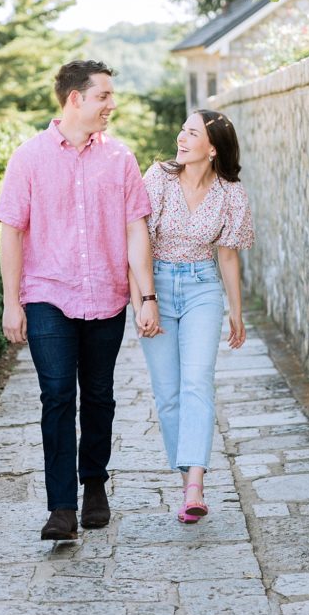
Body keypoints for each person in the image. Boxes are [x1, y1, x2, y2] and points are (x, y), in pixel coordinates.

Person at [0, 60, 160, 541]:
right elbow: (12, 233)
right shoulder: (28, 158)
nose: (112, 104)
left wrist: (145, 296)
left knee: (101, 396)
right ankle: (61, 508)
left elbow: (135, 231)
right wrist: (12, 302)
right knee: (57, 397)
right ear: (75, 99)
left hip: (106, 295)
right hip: (47, 293)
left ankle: (94, 485)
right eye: (104, 95)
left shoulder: (121, 159)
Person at [129, 109, 254, 523]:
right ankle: (187, 484)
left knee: (197, 383)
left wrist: (236, 312)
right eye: (182, 130)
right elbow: (138, 243)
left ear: (213, 147)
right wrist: (143, 301)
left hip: (203, 286)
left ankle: (196, 485)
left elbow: (229, 255)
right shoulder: (159, 178)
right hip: (158, 285)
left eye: (192, 133)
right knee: (168, 394)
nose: (181, 138)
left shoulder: (230, 194)